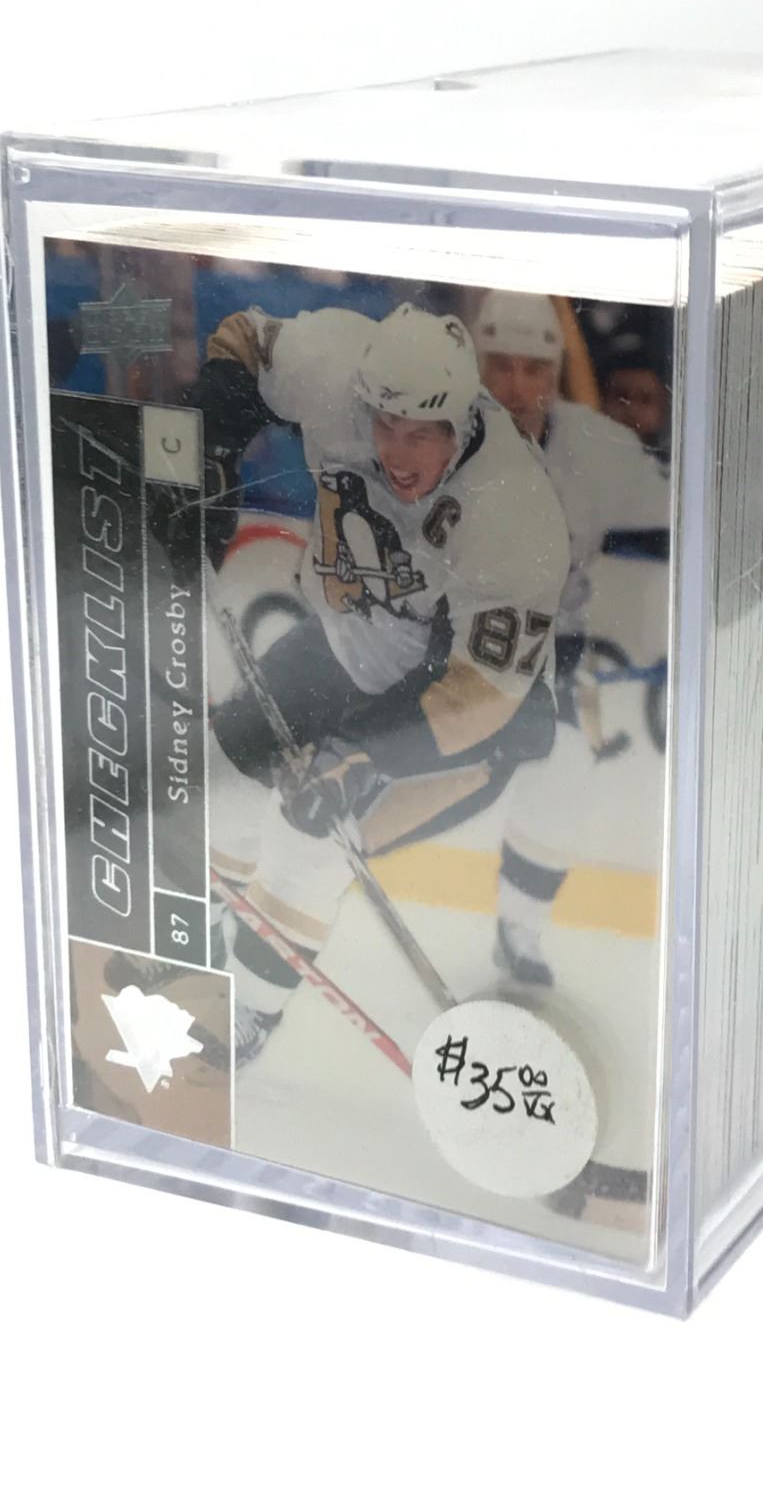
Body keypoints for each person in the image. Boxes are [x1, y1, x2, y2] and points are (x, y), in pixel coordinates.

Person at [185, 301, 570, 1063]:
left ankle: (251, 1011)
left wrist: (363, 756)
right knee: (218, 782)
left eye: (421, 433)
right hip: (346, 644)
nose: (397, 451)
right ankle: (189, 951)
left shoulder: (516, 513)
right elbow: (244, 338)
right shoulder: (334, 364)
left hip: (466, 710)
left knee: (316, 835)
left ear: (462, 420)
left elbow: (481, 693)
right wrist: (213, 446)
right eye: (385, 424)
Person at [472, 291, 671, 987]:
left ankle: (519, 930)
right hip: (446, 644)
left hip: (549, 652)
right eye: (502, 366)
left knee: (566, 766)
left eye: (535, 369)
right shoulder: (437, 427)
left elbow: (675, 507)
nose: (517, 385)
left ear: (555, 374)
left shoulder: (595, 445)